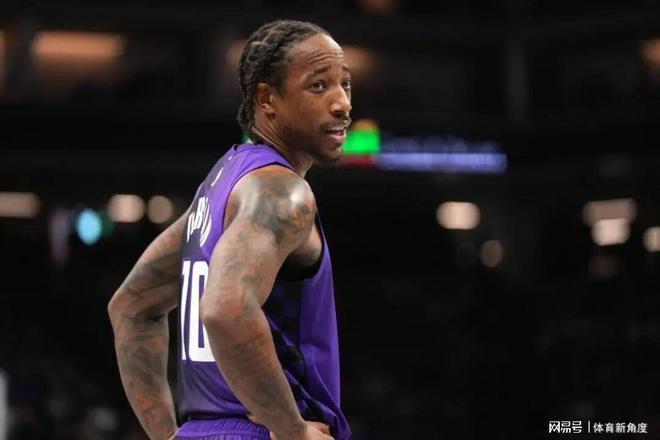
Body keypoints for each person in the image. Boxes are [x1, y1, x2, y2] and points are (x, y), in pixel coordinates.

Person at [108, 19, 353, 440]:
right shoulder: (282, 193)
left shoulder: (222, 187)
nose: (342, 104)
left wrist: (167, 434)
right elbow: (226, 308)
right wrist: (292, 430)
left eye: (344, 84)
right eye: (318, 86)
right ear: (267, 98)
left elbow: (132, 305)